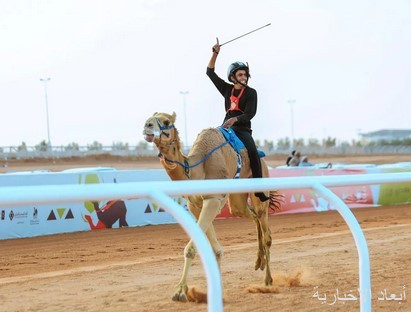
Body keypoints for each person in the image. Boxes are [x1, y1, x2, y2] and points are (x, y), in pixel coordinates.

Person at [206, 38, 269, 202]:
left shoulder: (252, 92)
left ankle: (259, 188)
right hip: (225, 127)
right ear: (232, 77)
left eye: (245, 74)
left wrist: (236, 120)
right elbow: (210, 73)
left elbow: (250, 114)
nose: (244, 77)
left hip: (242, 129)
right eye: (240, 74)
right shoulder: (227, 88)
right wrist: (215, 53)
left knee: (254, 153)